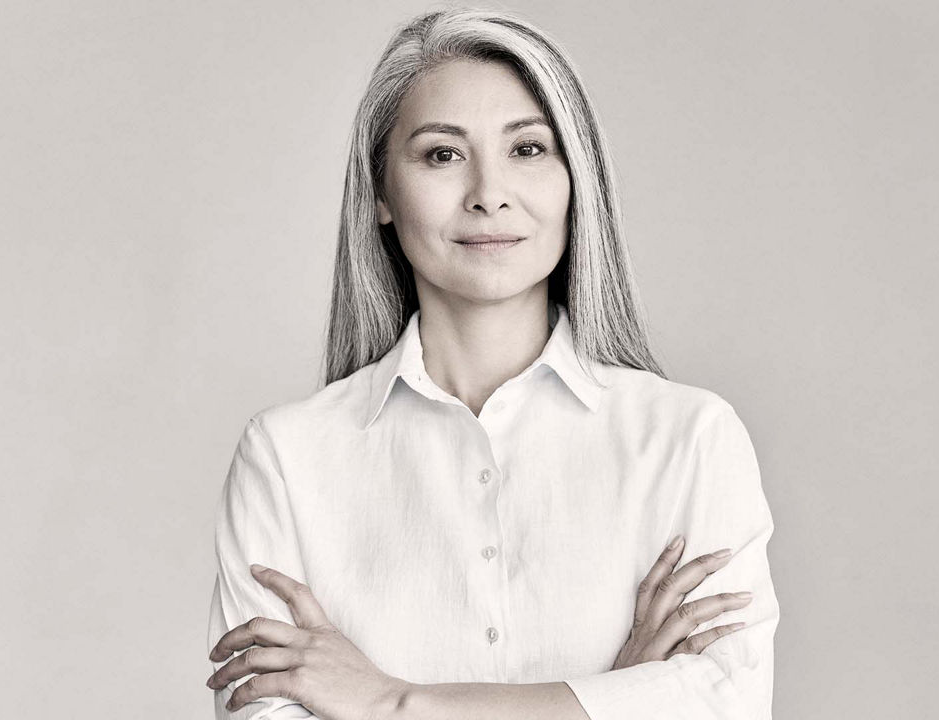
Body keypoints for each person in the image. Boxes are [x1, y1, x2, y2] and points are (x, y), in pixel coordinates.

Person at [204, 7, 779, 719]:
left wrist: (392, 703)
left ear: (577, 179)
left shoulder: (689, 439)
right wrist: (609, 700)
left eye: (528, 150)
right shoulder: (287, 459)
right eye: (442, 155)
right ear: (381, 191)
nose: (488, 193)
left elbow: (724, 705)